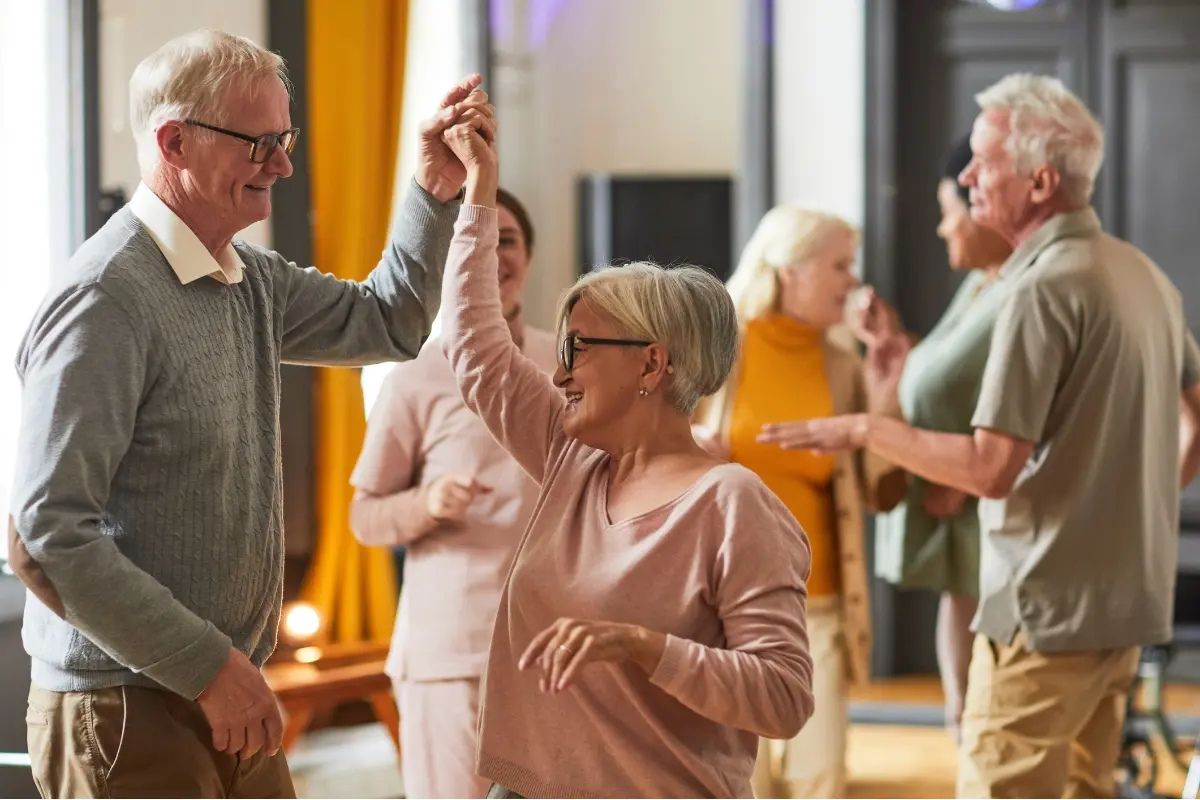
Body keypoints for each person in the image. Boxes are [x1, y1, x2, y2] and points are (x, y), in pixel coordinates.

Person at [6, 29, 491, 799]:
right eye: (261, 142)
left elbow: (390, 322)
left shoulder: (249, 279)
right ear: (175, 142)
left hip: (218, 685)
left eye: (286, 138)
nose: (285, 165)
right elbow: (45, 534)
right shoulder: (104, 299)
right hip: (127, 702)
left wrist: (432, 192)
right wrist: (209, 668)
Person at [758, 72, 1200, 798]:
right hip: (1128, 604)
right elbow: (1197, 420)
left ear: (1040, 181)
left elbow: (991, 468)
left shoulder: (1039, 288)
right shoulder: (1141, 272)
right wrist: (1141, 509)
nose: (966, 176)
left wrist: (867, 426)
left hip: (1044, 613)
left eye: (984, 162)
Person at [434, 104, 815, 798]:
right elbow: (475, 347)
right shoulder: (570, 457)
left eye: (579, 348)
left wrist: (644, 647)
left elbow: (785, 696)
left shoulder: (731, 503)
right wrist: (479, 188)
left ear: (651, 365)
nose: (559, 370)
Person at [348, 188, 556, 799]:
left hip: (555, 648)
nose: (495, 253)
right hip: (452, 651)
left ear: (530, 257)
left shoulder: (568, 365)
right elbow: (365, 517)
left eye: (508, 239)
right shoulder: (415, 374)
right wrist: (427, 502)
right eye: (478, 238)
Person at [691, 206, 905, 798]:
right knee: (737, 782)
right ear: (790, 269)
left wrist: (886, 396)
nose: (852, 282)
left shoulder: (842, 366)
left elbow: (884, 491)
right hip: (721, 606)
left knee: (821, 780)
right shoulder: (713, 352)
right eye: (839, 265)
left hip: (820, 607)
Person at [851, 134, 1013, 743]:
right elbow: (950, 371)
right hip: (956, 499)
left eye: (949, 212)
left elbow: (1033, 408)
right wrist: (896, 345)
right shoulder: (977, 285)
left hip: (982, 500)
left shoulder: (1019, 295)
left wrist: (968, 487)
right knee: (967, 709)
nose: (944, 229)